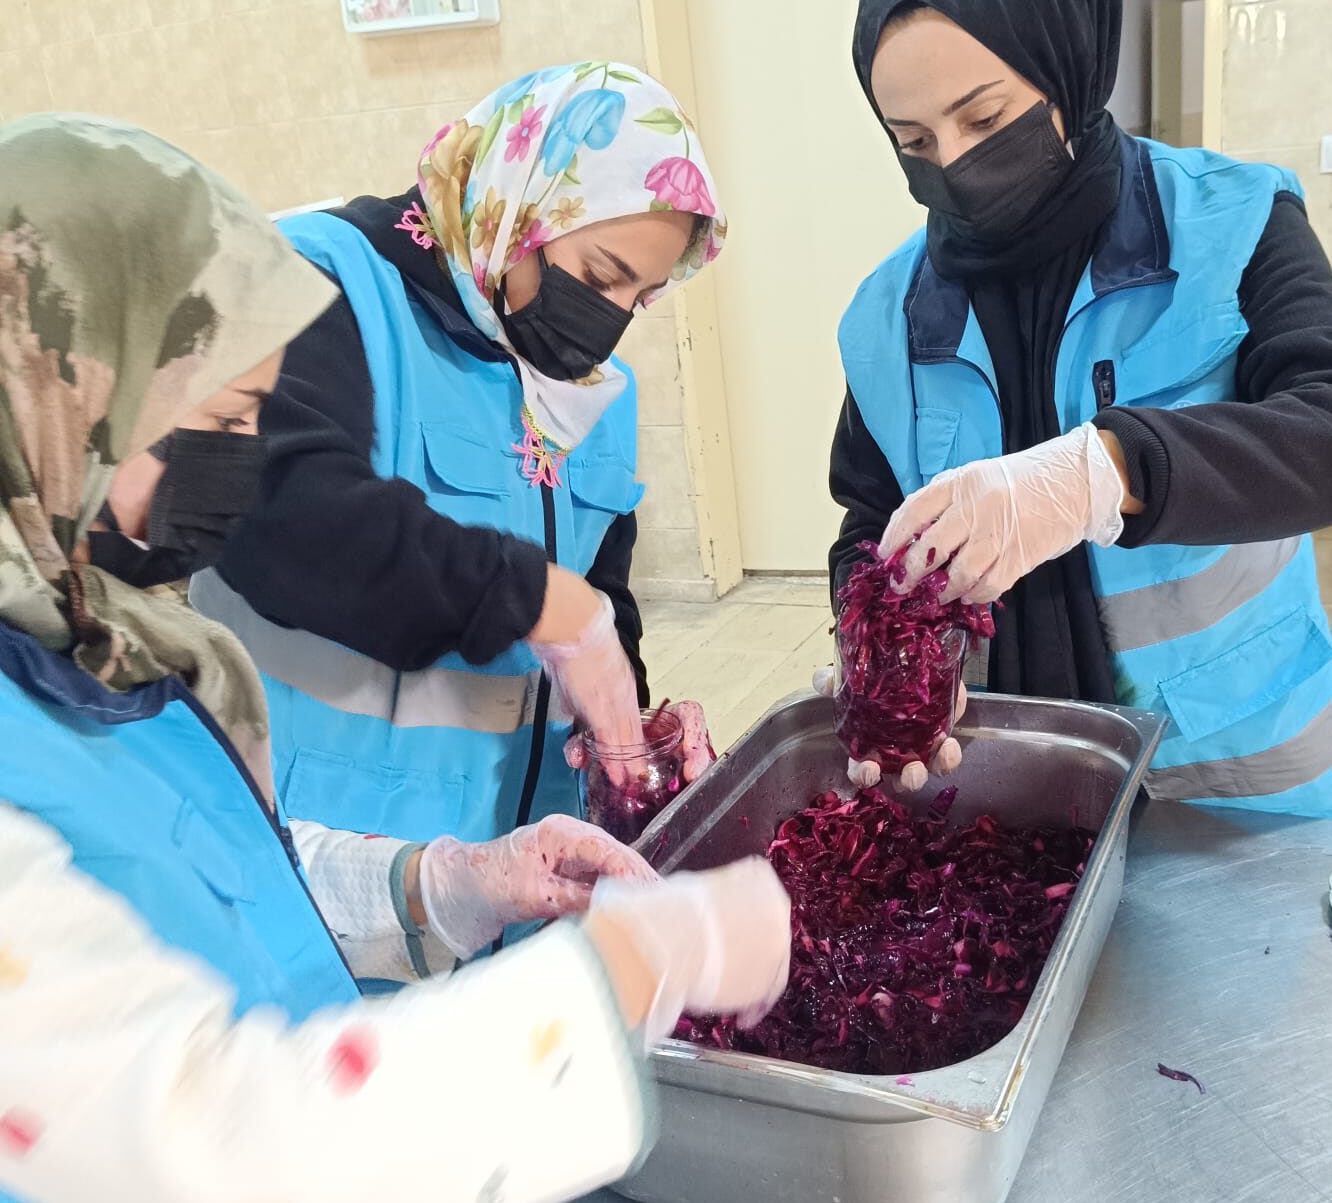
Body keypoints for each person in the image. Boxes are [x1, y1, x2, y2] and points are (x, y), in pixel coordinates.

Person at [0, 115, 790, 1203]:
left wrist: (445, 885)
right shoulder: (341, 282)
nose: (241, 464)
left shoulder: (96, 631)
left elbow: (220, 875)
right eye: (225, 417)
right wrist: (633, 972)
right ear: (68, 384)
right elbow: (204, 1133)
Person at [824, 0, 1332, 819]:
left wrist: (1105, 472)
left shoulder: (1232, 221)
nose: (956, 164)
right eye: (914, 140)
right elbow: (870, 518)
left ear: (1069, 62)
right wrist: (886, 648)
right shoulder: (886, 315)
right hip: (1010, 794)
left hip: (1239, 790)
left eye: (984, 118)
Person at [191, 62, 727, 856]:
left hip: (522, 857)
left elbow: (605, 599)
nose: (609, 323)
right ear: (520, 204)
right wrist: (537, 600)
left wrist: (630, 727)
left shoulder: (595, 395)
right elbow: (282, 517)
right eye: (600, 276)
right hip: (327, 851)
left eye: (640, 297)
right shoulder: (324, 283)